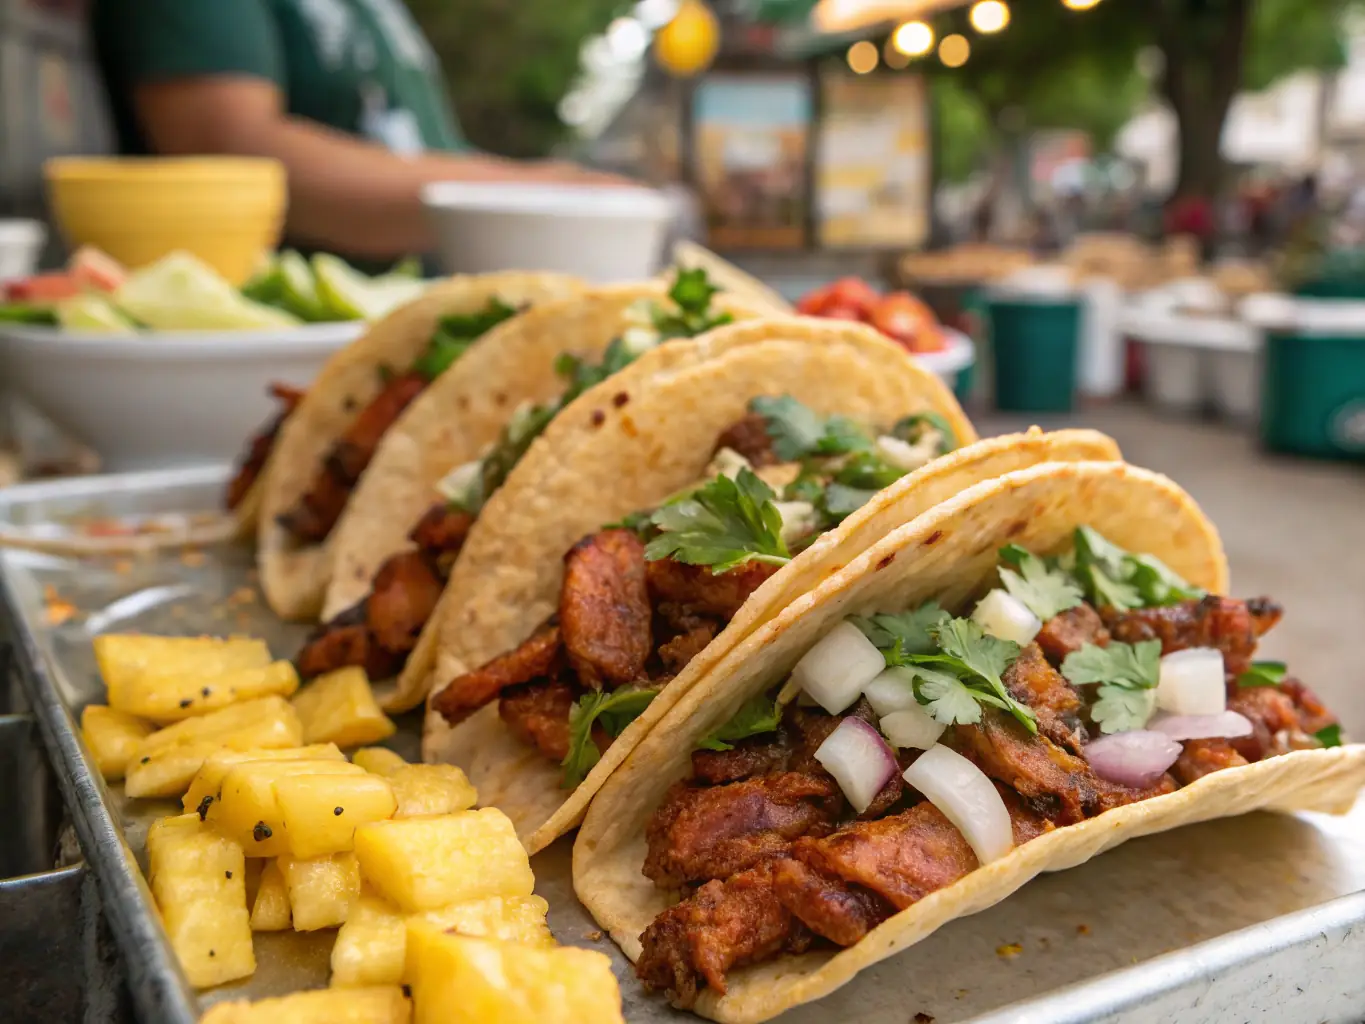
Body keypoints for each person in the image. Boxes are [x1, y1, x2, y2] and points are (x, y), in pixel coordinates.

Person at [89, 0, 632, 261]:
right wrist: (535, 195)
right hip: (287, 370)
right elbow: (231, 150)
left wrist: (542, 186)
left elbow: (426, 151)